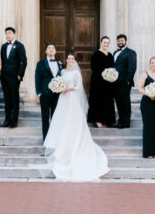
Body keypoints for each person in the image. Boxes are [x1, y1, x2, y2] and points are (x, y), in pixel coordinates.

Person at [43, 53, 109, 181]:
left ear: (75, 61)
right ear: (66, 60)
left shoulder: (76, 73)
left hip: (72, 99)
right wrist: (59, 88)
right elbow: (59, 83)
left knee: (72, 122)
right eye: (69, 59)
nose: (70, 60)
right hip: (63, 99)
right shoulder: (62, 71)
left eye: (72, 59)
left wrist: (65, 89)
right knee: (61, 120)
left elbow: (78, 87)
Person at [0, 26, 28, 128]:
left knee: (14, 99)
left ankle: (14, 122)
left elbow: (24, 62)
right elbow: (2, 61)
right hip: (4, 77)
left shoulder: (19, 46)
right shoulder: (3, 46)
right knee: (6, 99)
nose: (8, 35)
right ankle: (7, 120)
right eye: (6, 33)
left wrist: (20, 75)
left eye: (10, 33)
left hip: (14, 77)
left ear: (14, 34)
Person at [34, 43, 63, 140]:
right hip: (45, 94)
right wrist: (39, 92)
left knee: (56, 118)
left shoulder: (60, 63)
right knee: (45, 118)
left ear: (55, 51)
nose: (51, 49)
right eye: (49, 48)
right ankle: (46, 139)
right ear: (46, 51)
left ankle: (55, 138)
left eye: (53, 48)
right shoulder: (40, 63)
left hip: (57, 94)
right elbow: (37, 78)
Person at [136, 57, 155, 158]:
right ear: (149, 64)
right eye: (152, 63)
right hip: (147, 103)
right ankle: (147, 152)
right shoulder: (145, 74)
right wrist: (148, 93)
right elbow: (139, 87)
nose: (154, 64)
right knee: (148, 127)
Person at [87, 36, 116, 128]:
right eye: (104, 42)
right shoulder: (96, 54)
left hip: (108, 82)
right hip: (98, 81)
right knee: (98, 100)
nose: (106, 44)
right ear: (101, 43)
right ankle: (98, 121)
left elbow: (112, 67)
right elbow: (94, 67)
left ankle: (107, 121)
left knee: (107, 101)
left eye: (108, 43)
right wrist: (104, 74)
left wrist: (111, 75)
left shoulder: (110, 55)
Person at [112, 34, 137, 129]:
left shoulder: (131, 52)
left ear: (126, 41)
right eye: (118, 41)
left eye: (122, 40)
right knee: (118, 102)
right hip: (115, 82)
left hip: (125, 82)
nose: (120, 42)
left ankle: (126, 122)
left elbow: (132, 67)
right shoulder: (115, 52)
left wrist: (128, 80)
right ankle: (120, 121)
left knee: (125, 102)